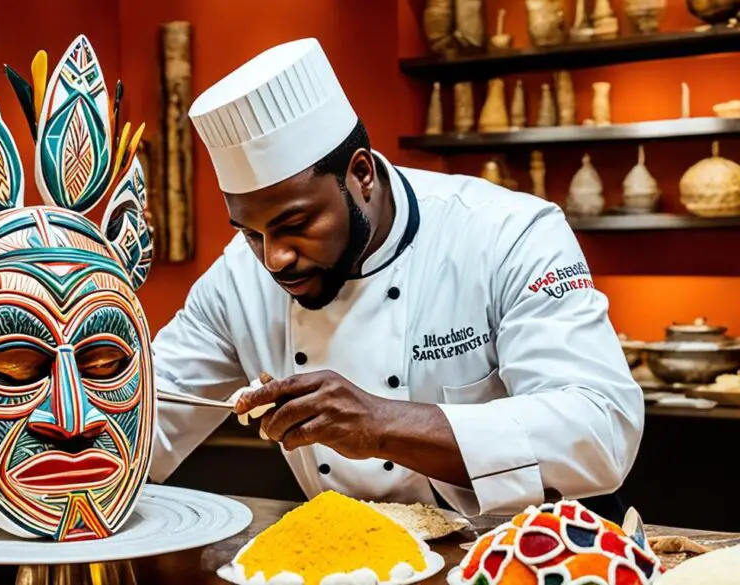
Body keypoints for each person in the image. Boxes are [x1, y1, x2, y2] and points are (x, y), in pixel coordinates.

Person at [147, 38, 643, 521]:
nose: (274, 258)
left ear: (361, 174)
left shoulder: (506, 233)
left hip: (533, 555)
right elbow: (146, 416)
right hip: (355, 560)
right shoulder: (237, 278)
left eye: (295, 225)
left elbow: (600, 431)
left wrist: (382, 424)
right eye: (252, 233)